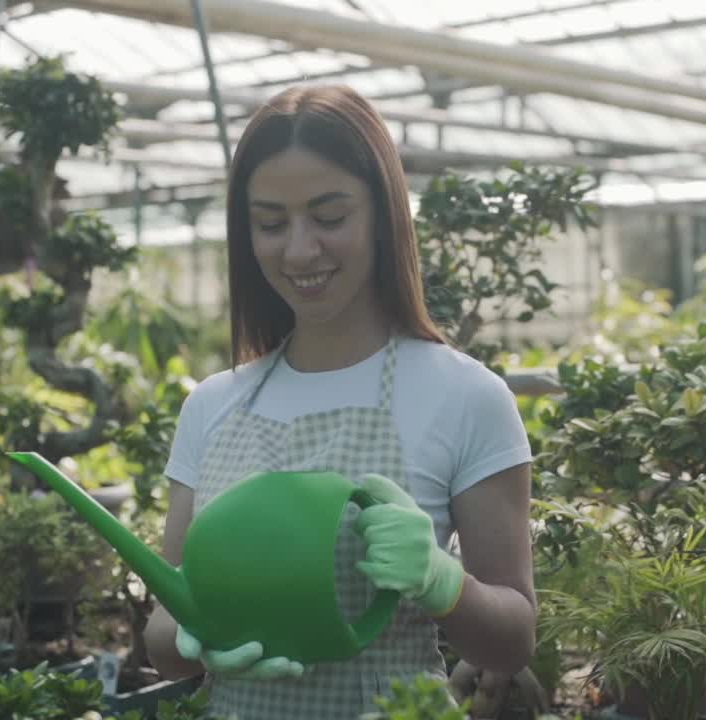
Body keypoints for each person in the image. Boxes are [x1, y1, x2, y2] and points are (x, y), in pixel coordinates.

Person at [142, 84, 537, 720]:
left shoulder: (465, 397)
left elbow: (514, 638)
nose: (299, 250)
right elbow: (165, 632)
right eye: (271, 223)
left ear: (383, 215)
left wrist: (442, 581)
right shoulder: (213, 405)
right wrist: (197, 636)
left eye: (329, 217)